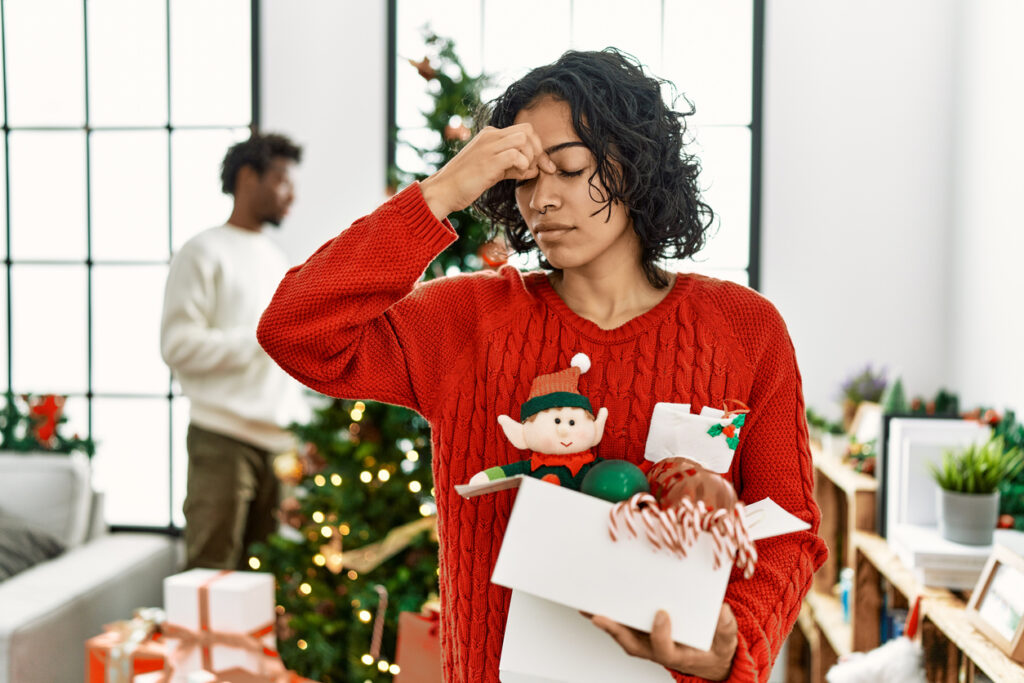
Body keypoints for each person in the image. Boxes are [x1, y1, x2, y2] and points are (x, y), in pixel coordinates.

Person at [258, 50, 827, 682]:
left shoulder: (745, 330)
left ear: (636, 164)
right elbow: (295, 329)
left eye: (569, 167)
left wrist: (733, 646)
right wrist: (443, 191)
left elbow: (788, 531)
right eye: (524, 179)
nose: (542, 200)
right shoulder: (467, 320)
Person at [161, 132, 310, 570]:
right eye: (282, 179)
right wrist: (259, 339)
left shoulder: (278, 259)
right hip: (223, 439)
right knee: (211, 572)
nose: (292, 194)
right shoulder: (203, 251)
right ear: (248, 177)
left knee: (264, 582)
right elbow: (177, 345)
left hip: (279, 446)